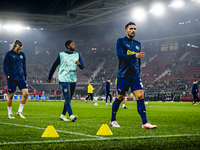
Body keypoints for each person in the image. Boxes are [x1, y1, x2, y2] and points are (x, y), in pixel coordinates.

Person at [110, 22, 157, 129]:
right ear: (126, 30)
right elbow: (120, 56)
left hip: (135, 75)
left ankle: (145, 123)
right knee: (120, 97)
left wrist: (138, 71)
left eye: (135, 29)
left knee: (140, 96)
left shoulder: (138, 44)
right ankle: (113, 120)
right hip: (123, 75)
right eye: (131, 28)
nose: (133, 30)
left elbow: (138, 60)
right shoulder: (120, 41)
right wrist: (134, 55)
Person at [47, 40, 84, 122]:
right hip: (64, 79)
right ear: (68, 46)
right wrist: (50, 77)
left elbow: (82, 66)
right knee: (67, 98)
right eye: (72, 44)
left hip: (73, 79)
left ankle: (62, 115)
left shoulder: (77, 55)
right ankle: (71, 115)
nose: (74, 45)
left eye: (74, 44)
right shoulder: (61, 55)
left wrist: (79, 64)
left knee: (69, 99)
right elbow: (54, 66)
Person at [3, 39, 28, 119]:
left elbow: (24, 65)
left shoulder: (22, 55)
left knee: (26, 93)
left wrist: (25, 75)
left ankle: (19, 111)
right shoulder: (9, 54)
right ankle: (9, 113)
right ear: (14, 47)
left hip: (20, 77)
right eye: (18, 49)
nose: (19, 50)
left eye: (20, 49)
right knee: (11, 96)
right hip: (12, 78)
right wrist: (8, 74)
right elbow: (5, 65)